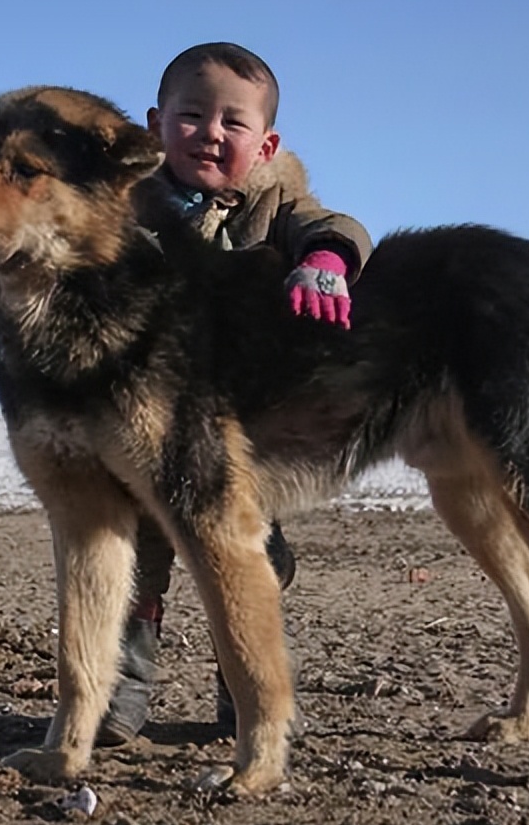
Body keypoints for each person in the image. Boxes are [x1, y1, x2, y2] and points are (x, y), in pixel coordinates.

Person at [96, 42, 373, 746]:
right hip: (144, 429)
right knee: (135, 569)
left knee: (253, 566)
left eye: (233, 122)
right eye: (191, 116)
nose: (211, 133)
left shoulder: (277, 200)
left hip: (238, 440)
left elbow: (334, 225)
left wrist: (324, 260)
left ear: (267, 142)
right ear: (156, 125)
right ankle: (115, 702)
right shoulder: (126, 205)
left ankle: (250, 697)